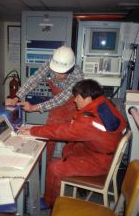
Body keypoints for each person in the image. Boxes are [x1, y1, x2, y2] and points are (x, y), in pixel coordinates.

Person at [19, 79, 127, 207]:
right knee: (69, 147)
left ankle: (50, 202)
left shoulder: (90, 121)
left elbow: (62, 132)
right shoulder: (104, 102)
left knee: (55, 168)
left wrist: (32, 131)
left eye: (77, 97)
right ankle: (76, 179)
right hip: (105, 152)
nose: (74, 100)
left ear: (86, 98)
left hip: (101, 161)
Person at [5, 46, 84, 163]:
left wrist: (34, 108)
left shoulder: (78, 77)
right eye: (55, 71)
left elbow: (61, 99)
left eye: (61, 73)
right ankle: (45, 169)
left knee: (72, 139)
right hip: (57, 104)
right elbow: (34, 79)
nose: (56, 75)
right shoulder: (51, 63)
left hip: (72, 105)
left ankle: (67, 167)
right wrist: (16, 97)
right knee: (49, 135)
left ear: (70, 69)